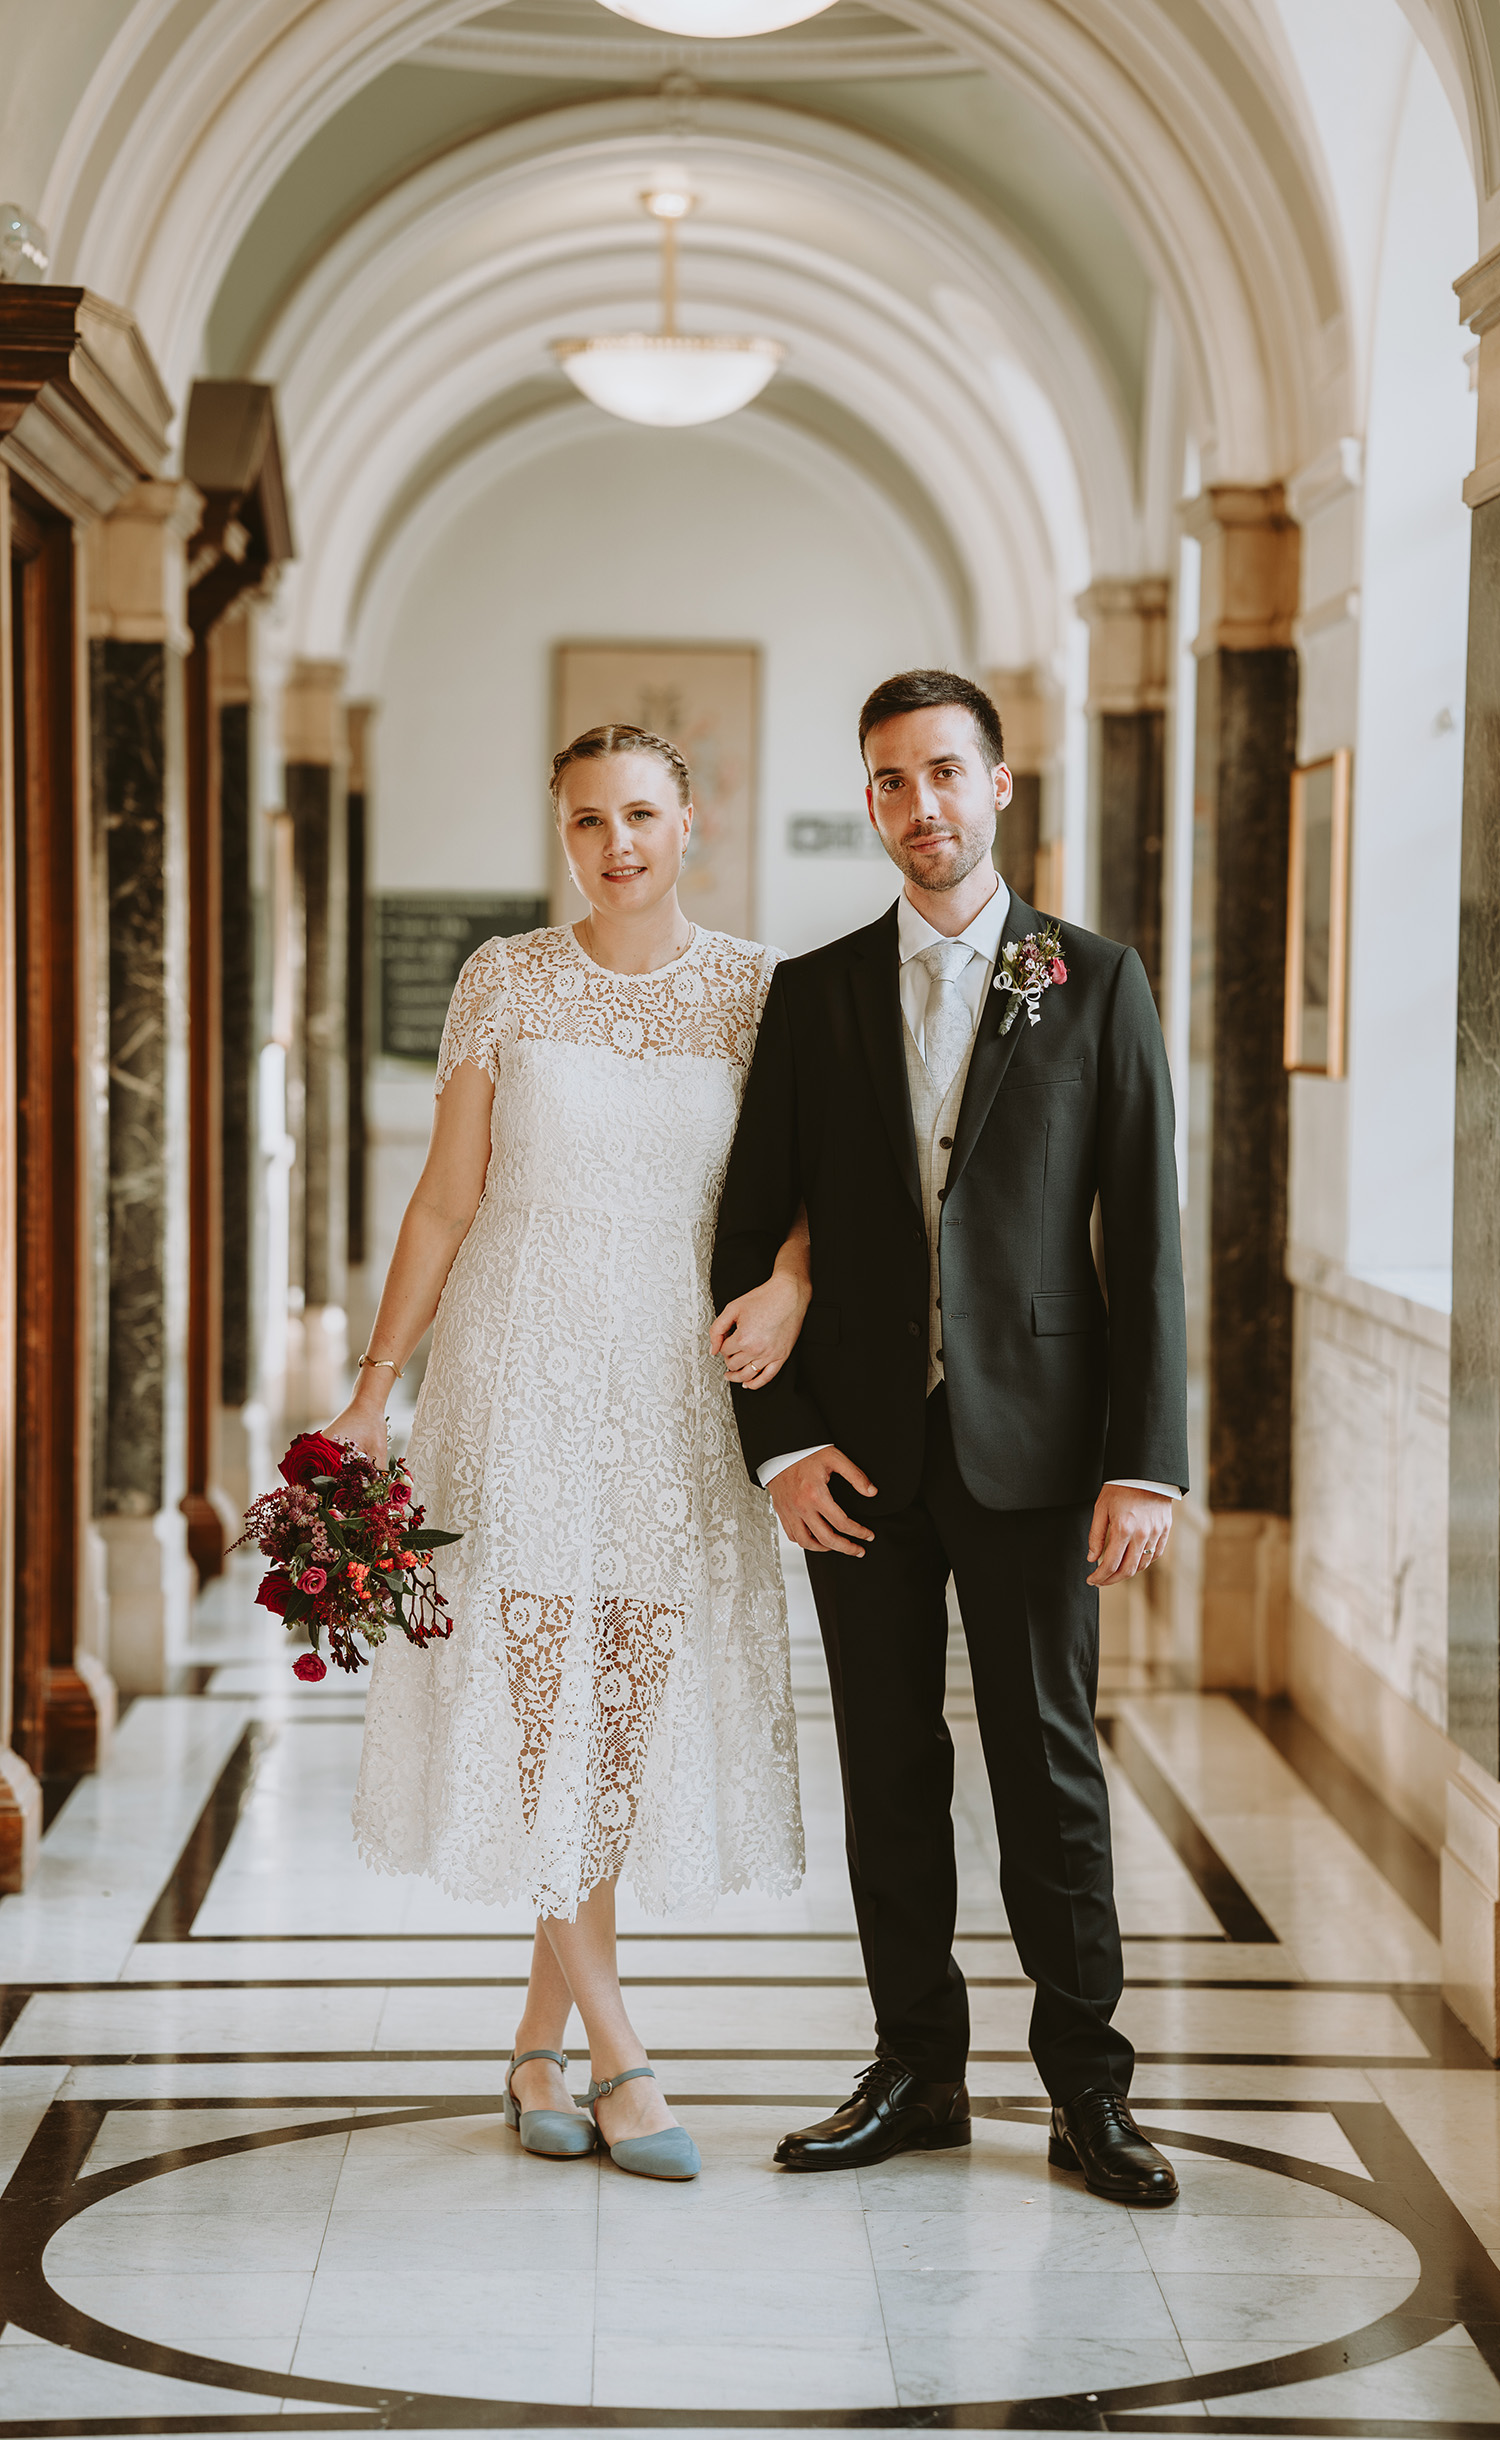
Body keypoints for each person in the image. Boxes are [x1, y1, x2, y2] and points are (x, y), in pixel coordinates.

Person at [712, 669, 1189, 2207]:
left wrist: (1147, 1457)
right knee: (888, 1763)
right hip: (860, 1454)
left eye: (946, 774)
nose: (922, 806)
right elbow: (749, 1231)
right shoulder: (816, 992)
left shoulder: (1094, 980)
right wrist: (780, 1445)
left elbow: (1148, 1236)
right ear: (871, 802)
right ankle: (917, 2068)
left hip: (1040, 1451)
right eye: (892, 781)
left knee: (1049, 1764)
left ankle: (1090, 2089)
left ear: (999, 787)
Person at [340, 723, 808, 2183]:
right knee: (546, 1710)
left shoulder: (752, 992)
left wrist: (790, 1283)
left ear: (692, 823)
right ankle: (620, 2055)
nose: (618, 845)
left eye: (644, 816)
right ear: (564, 835)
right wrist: (373, 1393)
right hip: (519, 1371)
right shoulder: (505, 981)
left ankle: (535, 2043)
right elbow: (440, 1205)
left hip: (672, 1387)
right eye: (590, 821)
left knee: (622, 1715)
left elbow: (806, 1195)